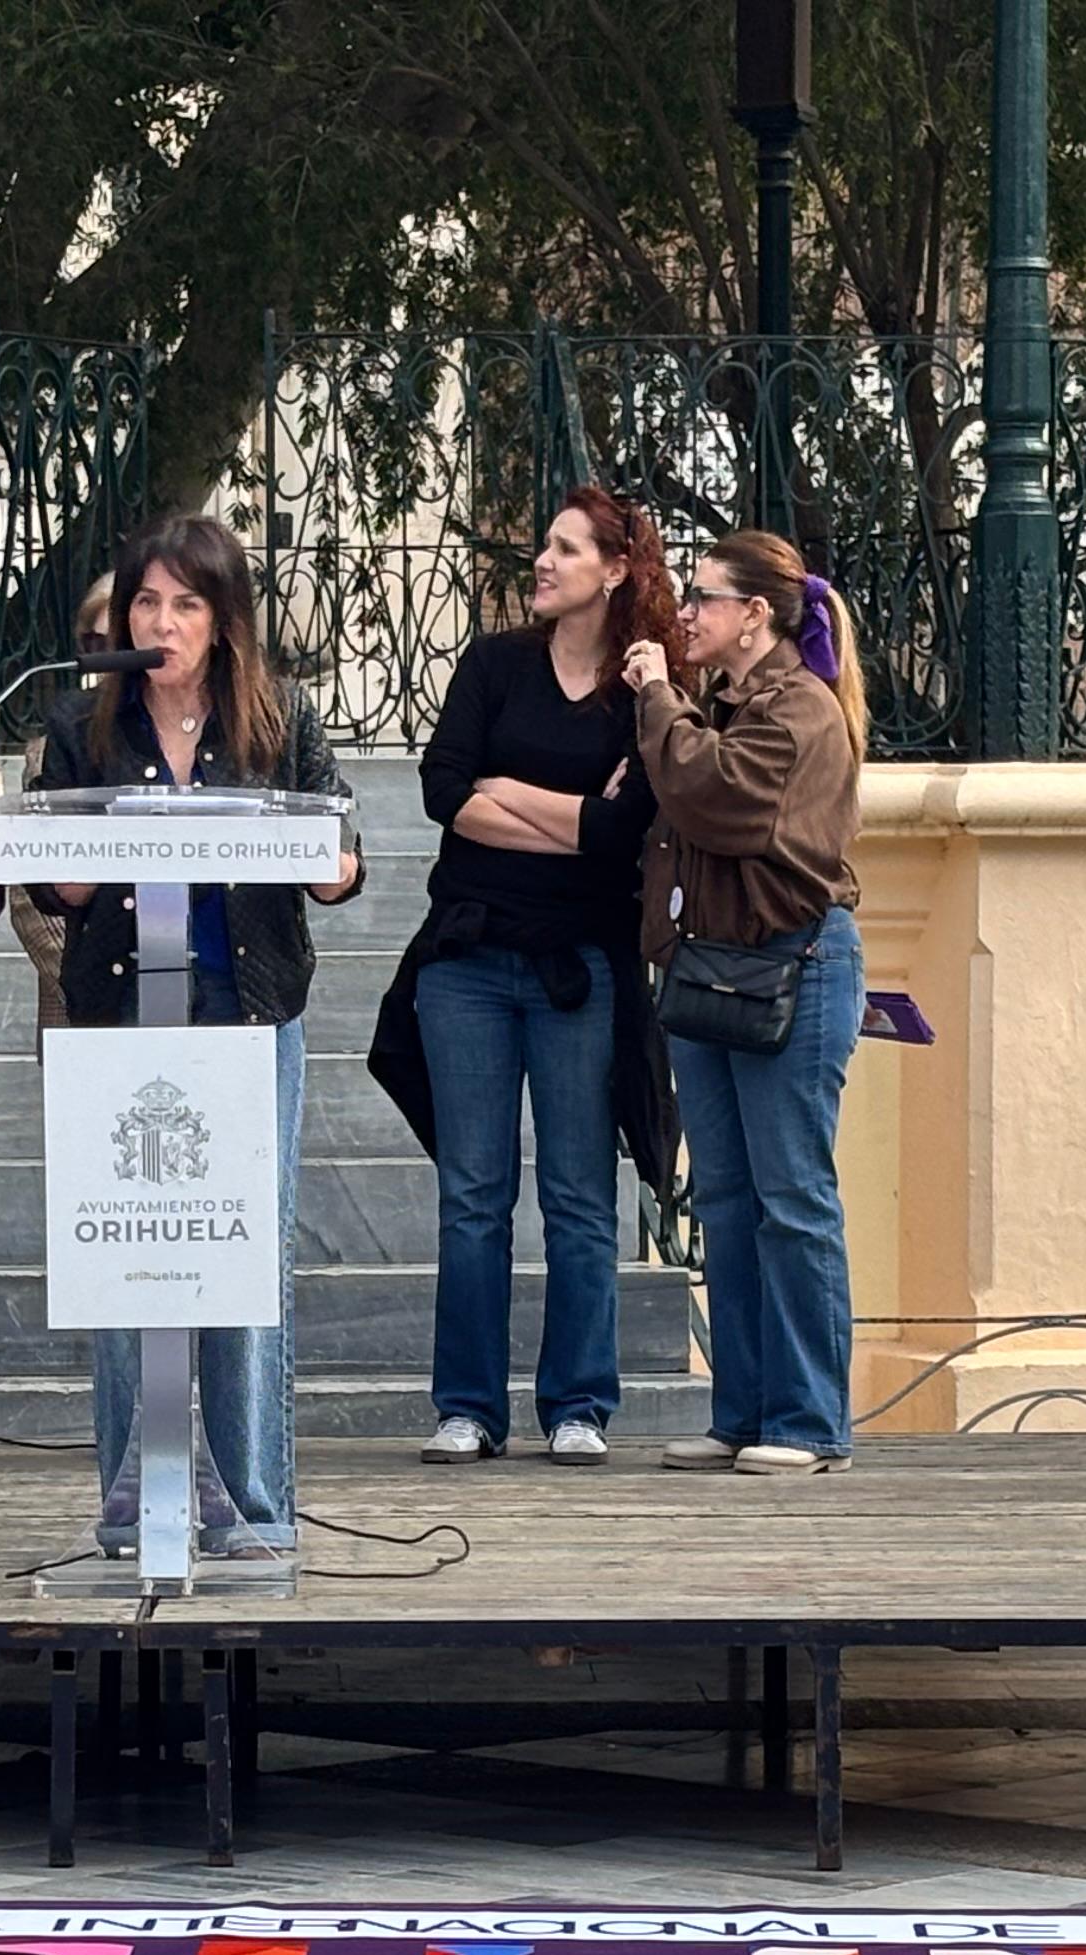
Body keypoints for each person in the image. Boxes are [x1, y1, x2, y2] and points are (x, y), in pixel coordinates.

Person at [36, 516, 362, 1555]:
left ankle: (251, 1502)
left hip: (248, 1006)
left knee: (240, 1252)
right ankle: (135, 1502)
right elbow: (63, 882)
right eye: (145, 601)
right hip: (126, 1012)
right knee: (123, 1252)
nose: (160, 621)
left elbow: (338, 863)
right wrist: (61, 852)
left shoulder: (281, 719)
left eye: (184, 604)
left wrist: (326, 855)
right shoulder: (81, 728)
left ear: (223, 624)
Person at [381, 486, 674, 1464]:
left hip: (579, 970)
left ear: (616, 569)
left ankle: (579, 1405)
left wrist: (511, 797)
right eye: (544, 545)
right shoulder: (494, 664)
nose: (542, 561)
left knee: (582, 1195)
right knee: (473, 1193)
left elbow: (621, 836)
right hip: (465, 962)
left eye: (565, 548)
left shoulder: (638, 695)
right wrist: (571, 816)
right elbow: (443, 793)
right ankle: (466, 1405)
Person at [623, 528, 869, 1476]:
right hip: (715, 967)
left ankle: (810, 1422)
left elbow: (706, 791)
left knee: (793, 1198)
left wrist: (654, 698)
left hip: (793, 966)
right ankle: (746, 1412)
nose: (685, 611)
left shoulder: (797, 710)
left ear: (754, 616)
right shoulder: (726, 702)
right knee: (725, 1197)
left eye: (703, 597)